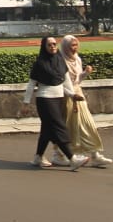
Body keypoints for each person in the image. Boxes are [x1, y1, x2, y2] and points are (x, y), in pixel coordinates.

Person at [22, 36, 88, 170]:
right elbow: (31, 85)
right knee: (58, 127)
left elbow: (65, 82)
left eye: (54, 44)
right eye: (49, 45)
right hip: (45, 100)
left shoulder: (59, 60)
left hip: (58, 99)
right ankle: (72, 158)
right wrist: (26, 103)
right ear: (44, 47)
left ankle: (38, 157)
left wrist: (72, 94)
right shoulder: (40, 63)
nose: (52, 47)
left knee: (47, 130)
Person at [49, 35, 113, 168]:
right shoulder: (60, 61)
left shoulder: (77, 59)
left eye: (76, 45)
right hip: (66, 97)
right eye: (72, 46)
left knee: (87, 124)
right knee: (67, 127)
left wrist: (85, 73)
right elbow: (61, 83)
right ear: (66, 47)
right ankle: (59, 155)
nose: (74, 48)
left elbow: (77, 80)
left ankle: (95, 155)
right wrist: (71, 95)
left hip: (78, 94)